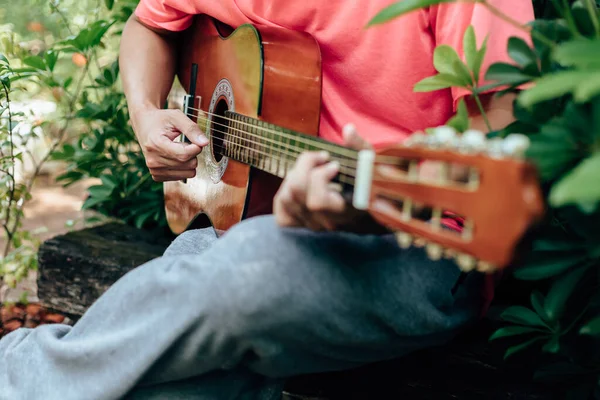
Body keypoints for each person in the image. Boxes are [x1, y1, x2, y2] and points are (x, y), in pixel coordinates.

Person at [0, 1, 534, 399]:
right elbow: (149, 24)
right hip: (238, 231)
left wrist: (357, 208)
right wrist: (145, 113)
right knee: (181, 377)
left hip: (415, 243)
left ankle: (16, 374)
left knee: (241, 277)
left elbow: (503, 144)